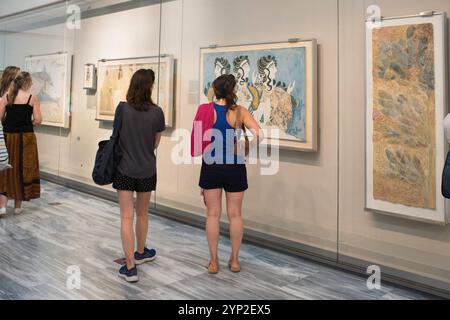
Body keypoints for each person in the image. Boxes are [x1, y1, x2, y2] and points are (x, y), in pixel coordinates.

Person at [193, 74, 262, 274]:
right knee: (235, 215)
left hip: (211, 166)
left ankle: (213, 262)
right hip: (235, 167)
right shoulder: (240, 112)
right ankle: (234, 260)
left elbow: (198, 142)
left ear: (215, 90)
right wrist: (245, 148)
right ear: (232, 90)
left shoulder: (205, 110)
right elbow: (259, 133)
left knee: (212, 214)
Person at [113, 69, 166, 283]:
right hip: (147, 170)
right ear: (150, 87)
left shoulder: (122, 109)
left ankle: (130, 266)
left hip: (124, 168)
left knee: (126, 216)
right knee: (142, 214)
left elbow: (115, 136)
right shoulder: (157, 112)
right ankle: (141, 251)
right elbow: (155, 144)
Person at [0, 71, 42, 216]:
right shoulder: (32, 98)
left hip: (8, 138)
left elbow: (0, 117)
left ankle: (2, 207)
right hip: (26, 138)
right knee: (22, 170)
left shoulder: (6, 97)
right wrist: (28, 122)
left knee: (6, 170)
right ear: (27, 83)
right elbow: (38, 120)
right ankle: (18, 207)